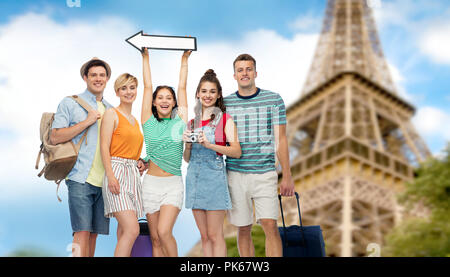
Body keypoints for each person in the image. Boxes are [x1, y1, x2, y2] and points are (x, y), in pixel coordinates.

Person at [224, 53, 295, 257]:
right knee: (243, 228)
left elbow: (281, 139)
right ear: (234, 75)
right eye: (240, 70)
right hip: (235, 173)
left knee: (270, 225)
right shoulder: (226, 104)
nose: (244, 73)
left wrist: (287, 175)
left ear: (255, 72)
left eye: (248, 69)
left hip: (265, 172)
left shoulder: (274, 99)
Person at [50, 57, 113, 257]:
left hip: (103, 181)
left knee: (94, 235)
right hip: (79, 177)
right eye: (93, 75)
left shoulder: (111, 110)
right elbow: (55, 136)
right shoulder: (70, 102)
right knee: (81, 232)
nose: (98, 79)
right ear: (85, 77)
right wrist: (87, 122)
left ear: (107, 78)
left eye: (102, 75)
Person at [183, 69, 241, 257]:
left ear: (218, 95)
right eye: (204, 91)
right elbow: (186, 158)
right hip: (194, 178)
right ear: (198, 93)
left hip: (215, 178)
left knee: (216, 235)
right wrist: (188, 145)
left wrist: (210, 145)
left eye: (212, 92)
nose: (208, 95)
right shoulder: (192, 123)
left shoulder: (225, 119)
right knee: (205, 236)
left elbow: (236, 151)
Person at [140, 48, 191, 257]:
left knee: (164, 231)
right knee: (155, 238)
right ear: (153, 102)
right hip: (150, 184)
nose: (164, 100)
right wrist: (145, 58)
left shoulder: (180, 121)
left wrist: (184, 60)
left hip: (173, 184)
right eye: (160, 97)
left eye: (168, 97)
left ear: (174, 103)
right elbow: (147, 86)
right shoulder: (147, 121)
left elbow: (182, 86)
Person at [100, 73, 146, 257]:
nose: (129, 92)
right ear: (117, 92)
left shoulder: (134, 121)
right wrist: (111, 175)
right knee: (132, 229)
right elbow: (104, 146)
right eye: (124, 88)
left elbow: (130, 147)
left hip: (133, 174)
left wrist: (140, 161)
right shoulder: (112, 114)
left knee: (123, 232)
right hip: (117, 171)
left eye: (132, 87)